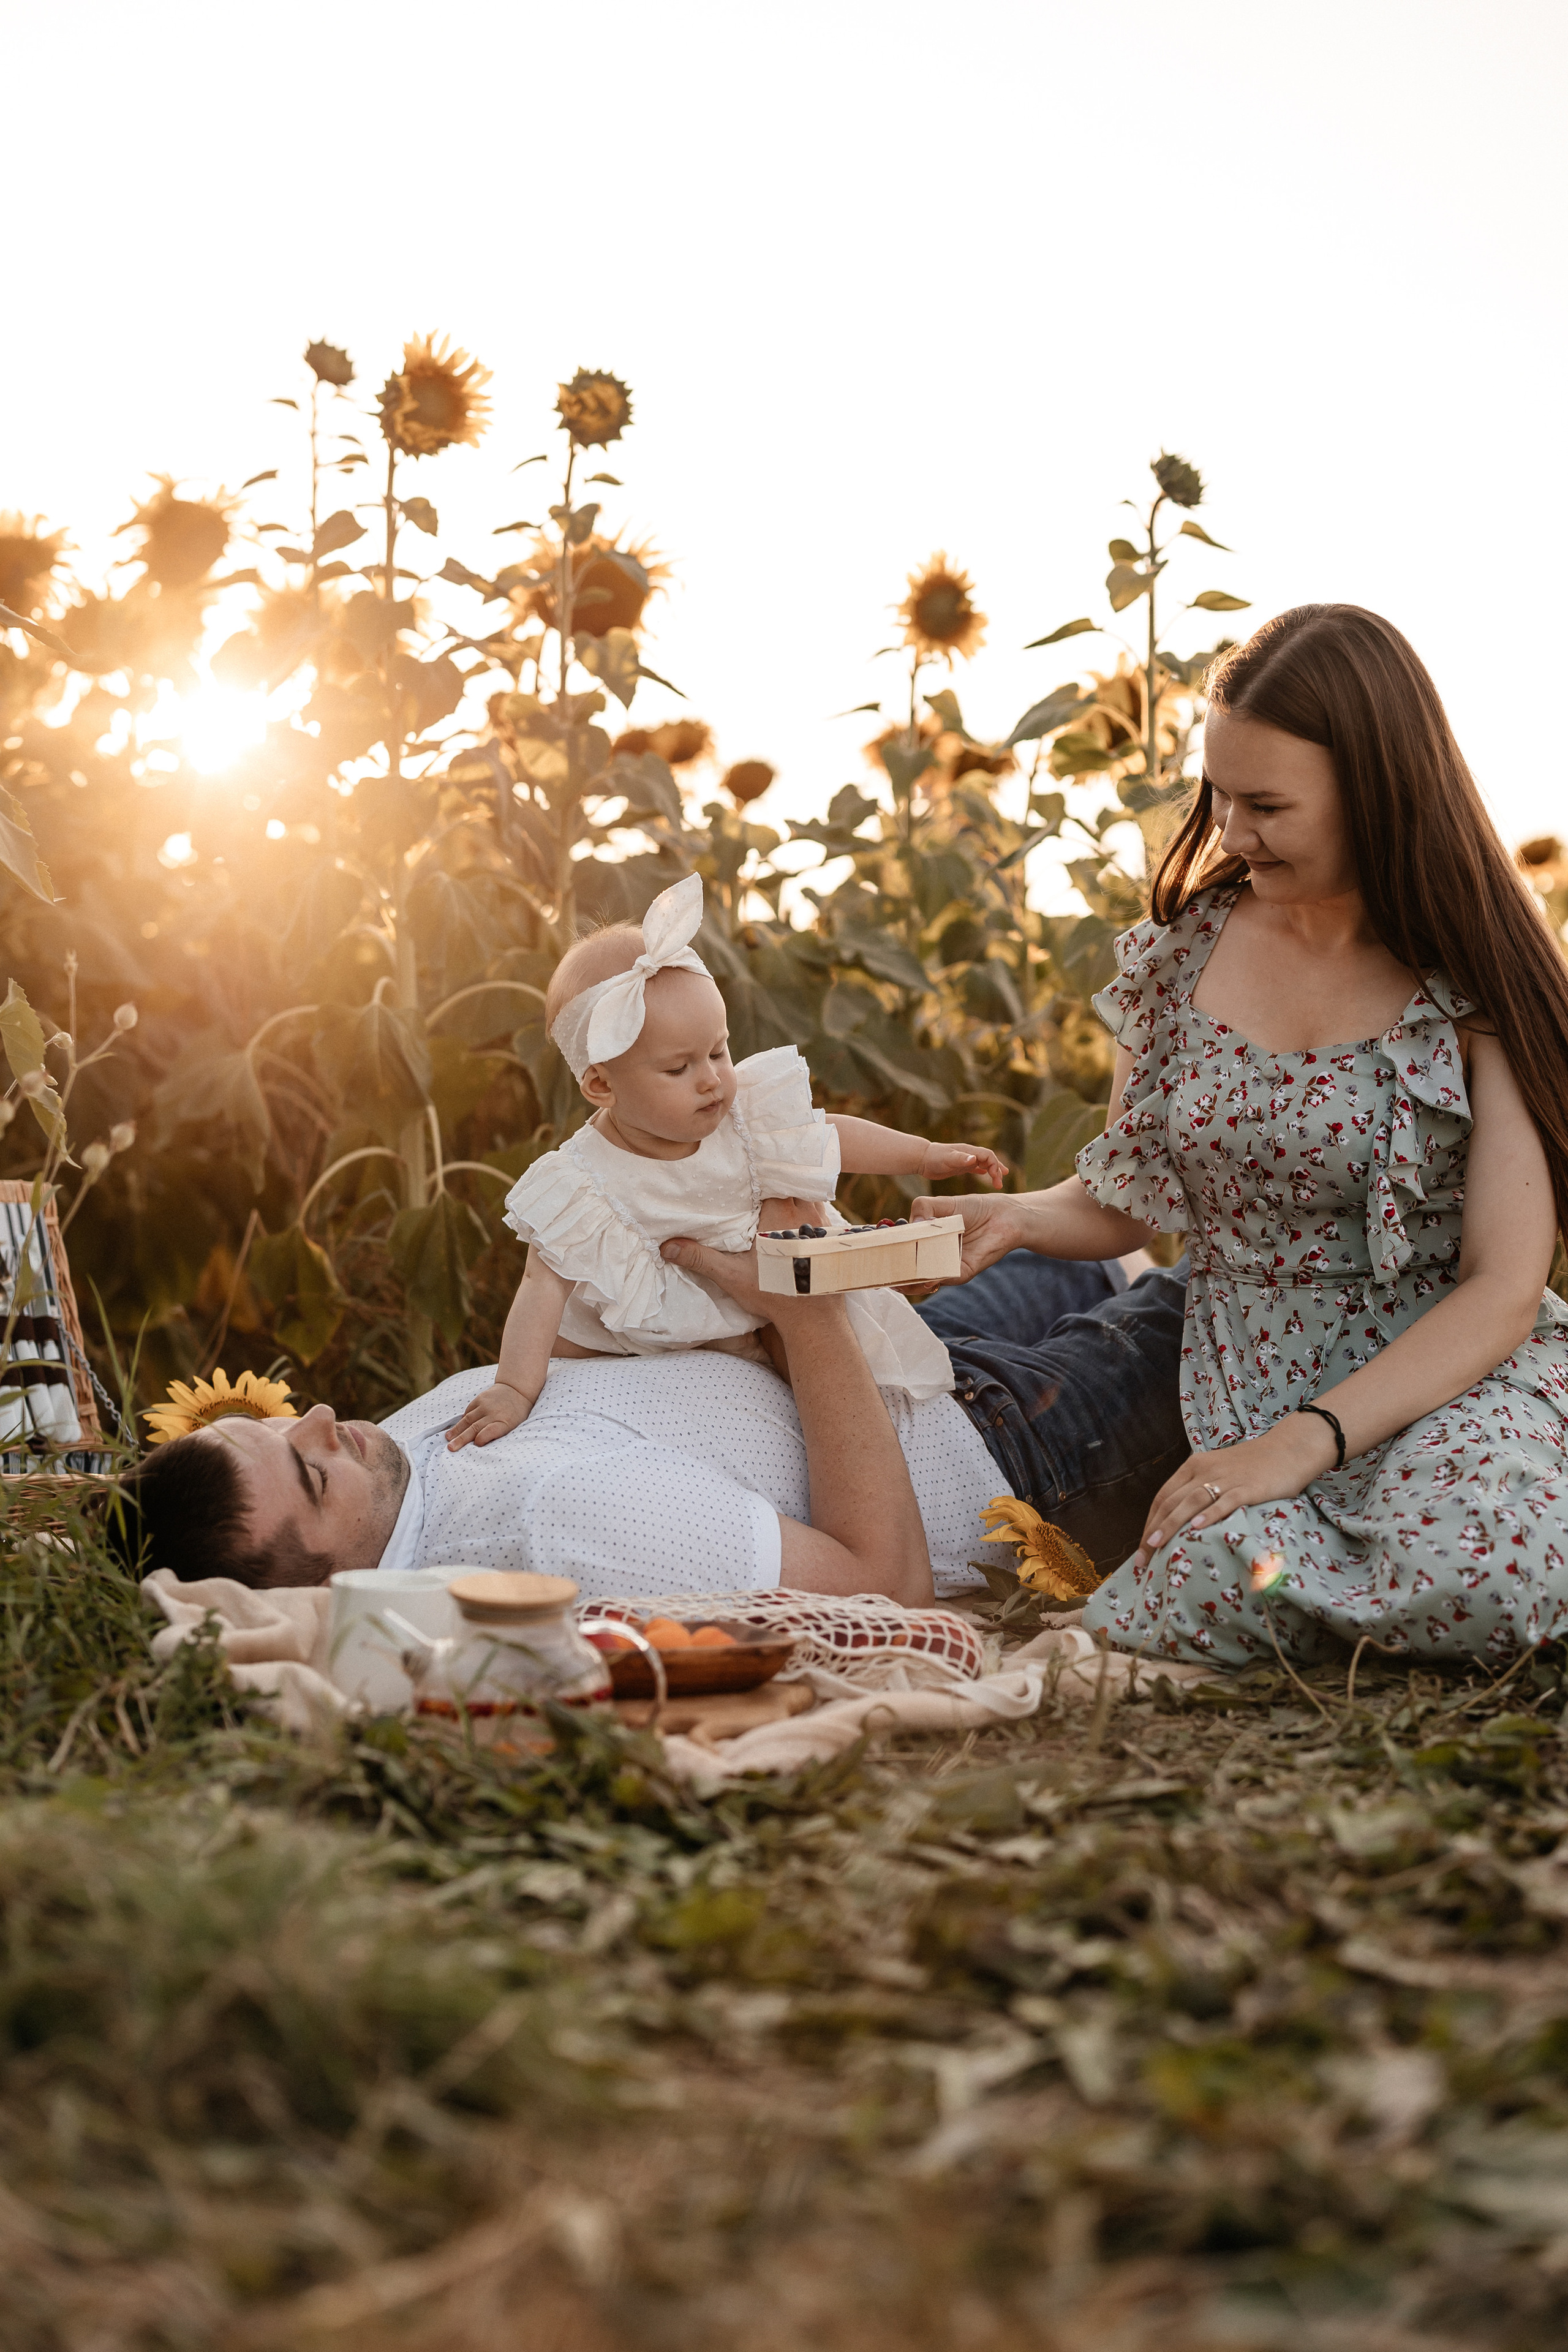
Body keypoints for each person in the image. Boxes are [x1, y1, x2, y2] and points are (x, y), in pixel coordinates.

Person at [918, 604, 1568, 1669]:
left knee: (1491, 1572)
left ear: (1377, 793)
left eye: (1267, 805)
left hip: (1449, 1376)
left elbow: (1502, 1286)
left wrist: (1302, 1444)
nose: (1229, 831)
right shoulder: (1180, 953)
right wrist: (1017, 1218)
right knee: (1203, 1565)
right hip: (1242, 1381)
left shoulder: (1475, 979)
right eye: (1219, 794)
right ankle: (1337, 1588)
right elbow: (1128, 1201)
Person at [112, 1225, 1190, 1598]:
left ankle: (1108, 1292)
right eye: (311, 1473)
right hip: (1006, 1457)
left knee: (1051, 1238)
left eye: (280, 1426)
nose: (320, 1418)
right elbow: (885, 1582)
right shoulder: (556, 1529)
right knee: (1246, 1295)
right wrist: (801, 1309)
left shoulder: (386, 1474)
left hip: (902, 1366)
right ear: (329, 1587)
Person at [448, 872, 1004, 1448]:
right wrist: (514, 1388)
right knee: (583, 1349)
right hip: (651, 1335)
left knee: (855, 1358)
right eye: (678, 1068)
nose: (712, 1079)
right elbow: (541, 1288)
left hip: (766, 1293)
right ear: (601, 1086)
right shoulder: (584, 1182)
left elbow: (828, 1134)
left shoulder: (741, 1116)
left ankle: (895, 1432)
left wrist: (924, 1155)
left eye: (719, 1051)